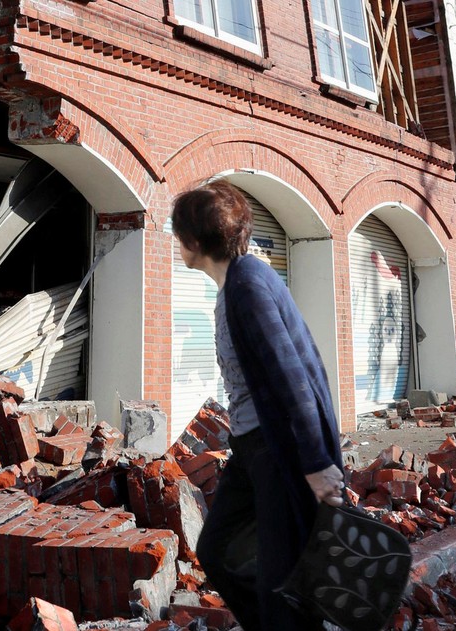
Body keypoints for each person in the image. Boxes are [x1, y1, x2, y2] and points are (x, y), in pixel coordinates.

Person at [170, 179, 345, 631]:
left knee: (279, 579)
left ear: (193, 241)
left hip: (276, 450)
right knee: (218, 551)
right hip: (251, 448)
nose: (177, 244)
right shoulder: (240, 281)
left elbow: (294, 380)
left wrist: (317, 463)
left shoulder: (248, 287)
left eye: (178, 235)